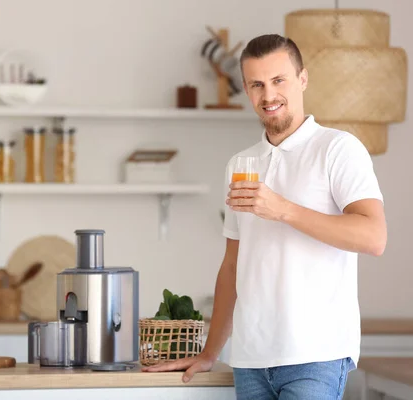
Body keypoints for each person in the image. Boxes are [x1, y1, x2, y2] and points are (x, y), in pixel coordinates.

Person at [143, 33, 387, 400]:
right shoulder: (241, 165)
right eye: (257, 84)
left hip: (315, 356)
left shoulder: (338, 149)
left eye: (278, 81)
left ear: (302, 79)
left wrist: (284, 209)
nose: (268, 96)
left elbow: (374, 237)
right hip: (251, 360)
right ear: (245, 89)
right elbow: (232, 266)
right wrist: (211, 352)